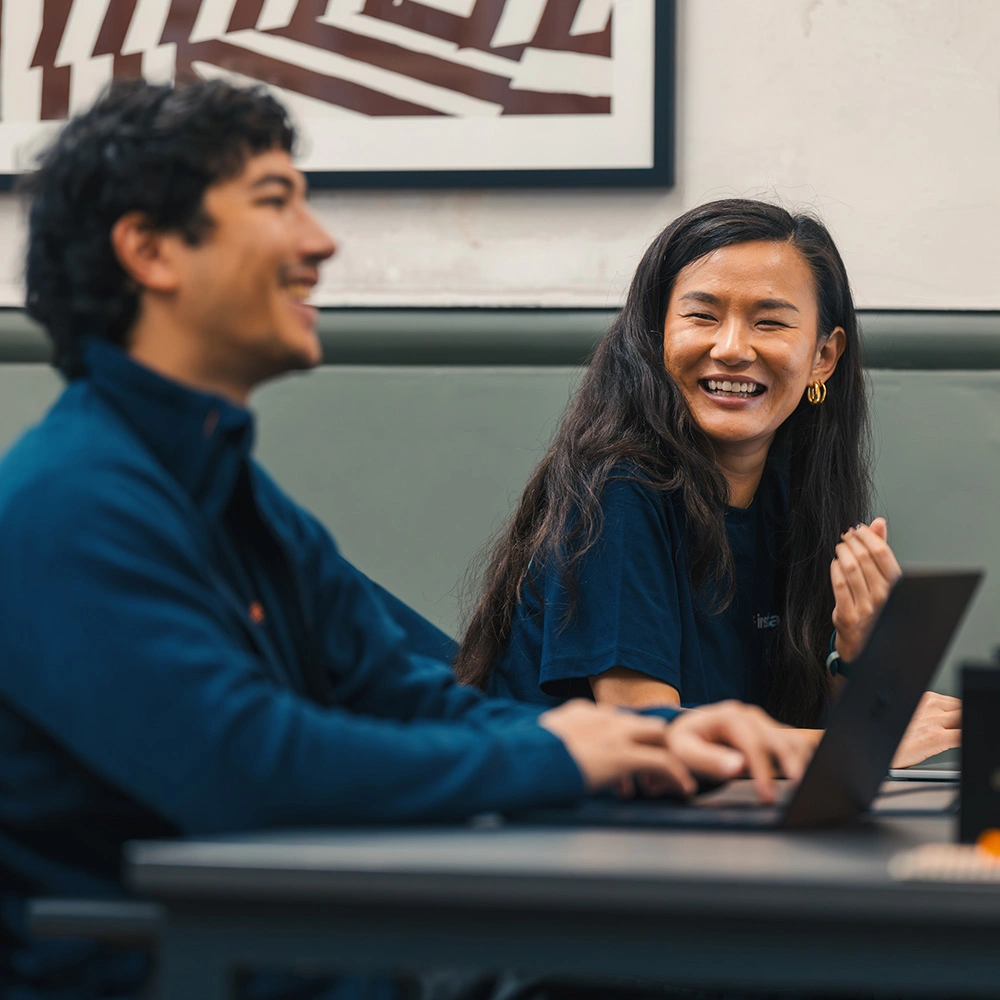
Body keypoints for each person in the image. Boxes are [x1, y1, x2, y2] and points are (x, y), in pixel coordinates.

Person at [0, 82, 816, 1000]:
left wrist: (658, 746)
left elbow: (418, 703)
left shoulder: (233, 498)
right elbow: (249, 767)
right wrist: (568, 754)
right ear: (149, 250)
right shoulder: (67, 506)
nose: (320, 242)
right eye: (277, 203)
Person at [455, 199, 960, 766]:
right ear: (654, 335)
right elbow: (650, 739)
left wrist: (857, 653)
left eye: (769, 322)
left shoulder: (795, 497)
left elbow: (796, 740)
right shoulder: (618, 489)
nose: (732, 349)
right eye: (702, 316)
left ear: (823, 356)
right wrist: (866, 741)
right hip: (563, 835)